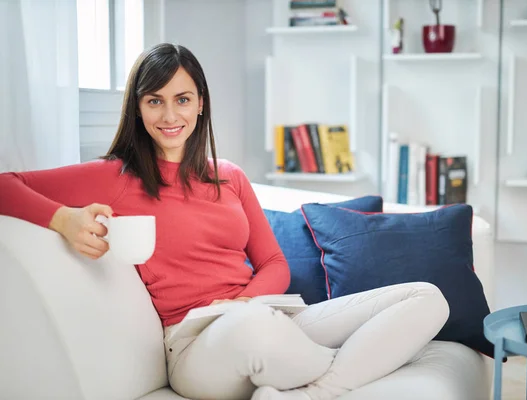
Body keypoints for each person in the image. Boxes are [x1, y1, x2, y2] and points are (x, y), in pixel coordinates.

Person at [0, 43, 449, 400]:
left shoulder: (228, 175)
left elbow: (274, 263)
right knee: (257, 332)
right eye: (154, 101)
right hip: (197, 342)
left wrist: (246, 302)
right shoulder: (116, 177)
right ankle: (349, 365)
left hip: (265, 317)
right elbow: (6, 183)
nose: (170, 115)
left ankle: (314, 391)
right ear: (138, 109)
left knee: (427, 298)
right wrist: (63, 219)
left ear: (200, 105)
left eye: (182, 99)